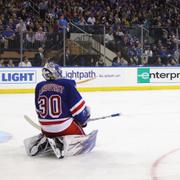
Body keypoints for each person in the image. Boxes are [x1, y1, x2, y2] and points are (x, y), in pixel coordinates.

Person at [24, 62, 97, 159]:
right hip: (64, 127)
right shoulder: (67, 85)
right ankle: (62, 142)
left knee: (56, 124)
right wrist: (83, 122)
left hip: (45, 128)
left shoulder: (39, 86)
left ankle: (45, 139)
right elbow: (79, 112)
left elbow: (38, 111)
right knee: (81, 134)